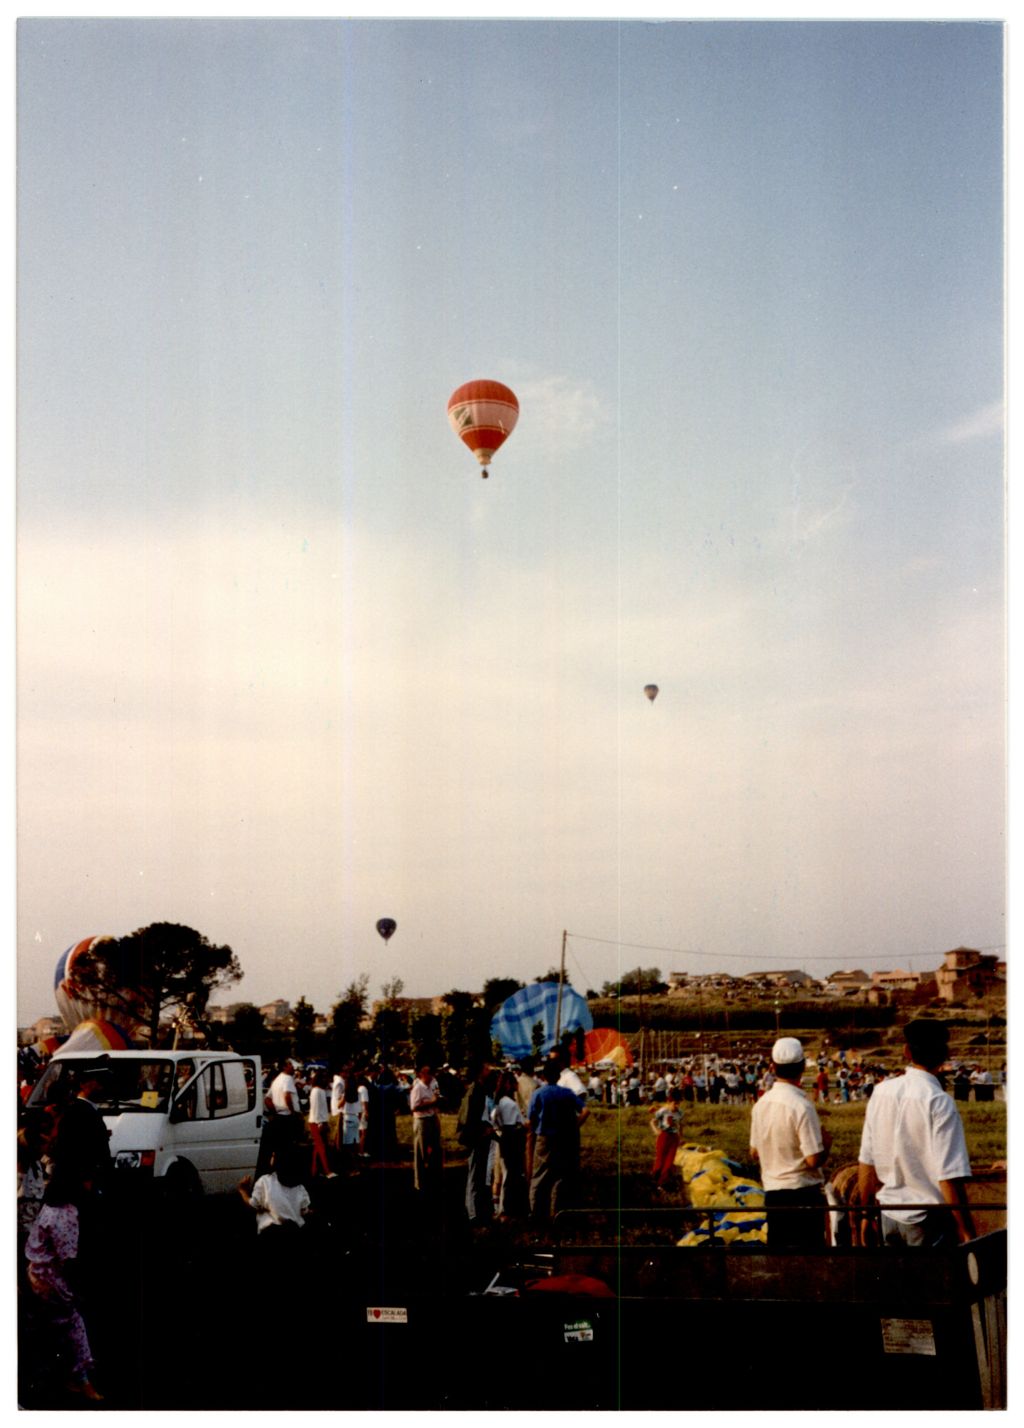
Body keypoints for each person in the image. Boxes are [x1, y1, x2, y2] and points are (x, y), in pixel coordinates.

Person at [857, 1019, 975, 1248]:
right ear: (944, 1055)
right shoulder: (939, 1102)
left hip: (889, 1216)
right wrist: (967, 1231)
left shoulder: (881, 1092)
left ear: (906, 1051)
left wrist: (864, 1214)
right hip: (928, 1221)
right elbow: (948, 1175)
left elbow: (866, 1162)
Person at [24, 1166, 103, 1401]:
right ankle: (83, 1381)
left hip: (37, 1273)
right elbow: (68, 1259)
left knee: (52, 1327)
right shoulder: (66, 1214)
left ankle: (64, 1375)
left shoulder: (49, 1208)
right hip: (52, 1280)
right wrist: (77, 1290)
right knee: (74, 1325)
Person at [749, 1037, 831, 1248]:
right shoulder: (802, 1106)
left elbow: (754, 1152)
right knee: (809, 1258)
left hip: (773, 1194)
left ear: (773, 1067)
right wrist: (827, 1144)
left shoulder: (761, 1105)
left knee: (780, 1260)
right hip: (802, 1194)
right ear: (803, 1066)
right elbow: (813, 1160)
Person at [527, 1060, 588, 1222]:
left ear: (543, 1076)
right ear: (559, 1075)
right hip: (564, 1137)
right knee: (560, 1175)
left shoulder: (539, 1093)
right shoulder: (567, 1093)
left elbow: (531, 1118)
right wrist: (574, 1126)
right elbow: (585, 1110)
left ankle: (537, 1214)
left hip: (544, 1138)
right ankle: (557, 1212)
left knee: (539, 1175)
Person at [457, 1061, 494, 1225]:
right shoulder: (474, 1091)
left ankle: (477, 1210)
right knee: (474, 1175)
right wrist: (481, 1130)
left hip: (481, 1137)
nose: (490, 1070)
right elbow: (468, 1119)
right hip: (476, 1138)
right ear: (480, 1072)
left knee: (479, 1175)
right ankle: (472, 1213)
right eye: (486, 1068)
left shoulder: (480, 1089)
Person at [490, 1070, 528, 1217]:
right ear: (508, 1084)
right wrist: (524, 1126)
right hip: (512, 1142)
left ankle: (508, 1207)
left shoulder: (501, 1101)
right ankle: (505, 1209)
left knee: (509, 1174)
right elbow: (511, 1126)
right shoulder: (509, 1104)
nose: (517, 1084)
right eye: (514, 1081)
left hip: (506, 1141)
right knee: (509, 1175)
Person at [409, 1064, 443, 1193]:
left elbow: (435, 1102)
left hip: (432, 1118)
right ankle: (420, 1182)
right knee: (421, 1152)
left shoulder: (431, 1087)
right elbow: (414, 1107)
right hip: (422, 1121)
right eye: (428, 1073)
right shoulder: (418, 1088)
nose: (431, 1075)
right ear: (421, 1074)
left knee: (435, 1151)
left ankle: (433, 1180)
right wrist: (432, 1102)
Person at [650, 1087, 683, 1190]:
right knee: (660, 1160)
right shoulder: (663, 1111)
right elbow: (652, 1121)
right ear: (669, 1101)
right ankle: (655, 1179)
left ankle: (662, 1183)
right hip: (664, 1136)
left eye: (678, 1103)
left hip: (674, 1138)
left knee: (669, 1161)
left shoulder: (680, 1112)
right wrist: (656, 1131)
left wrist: (680, 1137)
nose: (676, 1106)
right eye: (674, 1103)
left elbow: (680, 1125)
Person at [307, 1069, 335, 1179]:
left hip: (320, 1121)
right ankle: (327, 1171)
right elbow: (316, 1108)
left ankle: (314, 1171)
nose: (326, 1080)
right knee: (321, 1148)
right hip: (316, 1122)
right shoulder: (316, 1091)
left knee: (318, 1148)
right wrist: (320, 1123)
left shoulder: (320, 1090)